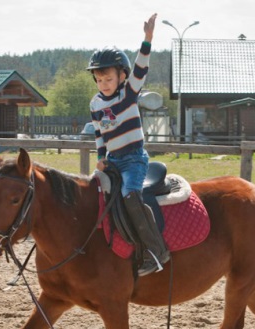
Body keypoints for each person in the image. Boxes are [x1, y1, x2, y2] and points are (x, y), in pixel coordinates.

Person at [87, 13, 170, 276]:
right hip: (112, 160)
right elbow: (99, 134)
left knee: (130, 195)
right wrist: (100, 157)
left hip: (134, 158)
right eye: (99, 80)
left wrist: (147, 39)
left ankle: (156, 250)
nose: (104, 84)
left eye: (109, 79)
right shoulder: (95, 104)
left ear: (121, 76)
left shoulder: (129, 92)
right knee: (91, 193)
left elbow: (141, 68)